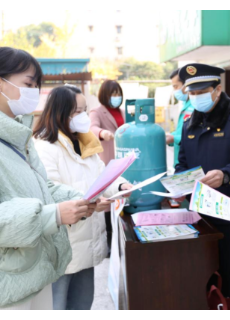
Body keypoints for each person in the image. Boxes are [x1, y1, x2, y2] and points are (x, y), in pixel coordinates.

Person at [0, 47, 96, 310]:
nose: (33, 92)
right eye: (28, 84)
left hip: (34, 271)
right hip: (10, 282)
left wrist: (79, 200)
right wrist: (52, 216)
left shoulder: (19, 137)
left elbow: (43, 187)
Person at [34, 85, 132, 310]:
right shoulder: (45, 146)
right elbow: (50, 190)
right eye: (76, 111)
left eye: (85, 110)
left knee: (82, 303)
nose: (84, 117)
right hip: (62, 247)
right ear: (60, 112)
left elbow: (102, 174)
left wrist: (120, 184)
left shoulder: (85, 142)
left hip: (87, 243)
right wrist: (92, 203)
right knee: (57, 304)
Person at [175, 64, 230, 310]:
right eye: (191, 93)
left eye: (201, 91)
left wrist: (225, 175)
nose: (196, 97)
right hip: (199, 216)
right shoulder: (189, 122)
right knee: (202, 275)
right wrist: (178, 185)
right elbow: (182, 163)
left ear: (217, 90)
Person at [90, 80, 125, 256]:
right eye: (113, 93)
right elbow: (92, 128)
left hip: (122, 160)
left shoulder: (122, 111)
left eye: (118, 93)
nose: (116, 97)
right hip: (108, 159)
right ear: (104, 94)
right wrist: (102, 133)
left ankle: (121, 240)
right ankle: (110, 243)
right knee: (108, 201)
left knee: (120, 197)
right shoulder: (97, 112)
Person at [166, 68, 195, 167]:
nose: (175, 91)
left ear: (186, 85)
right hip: (180, 162)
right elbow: (181, 131)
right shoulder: (186, 104)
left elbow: (196, 135)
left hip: (190, 163)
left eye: (176, 86)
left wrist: (174, 138)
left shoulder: (197, 105)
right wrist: (170, 137)